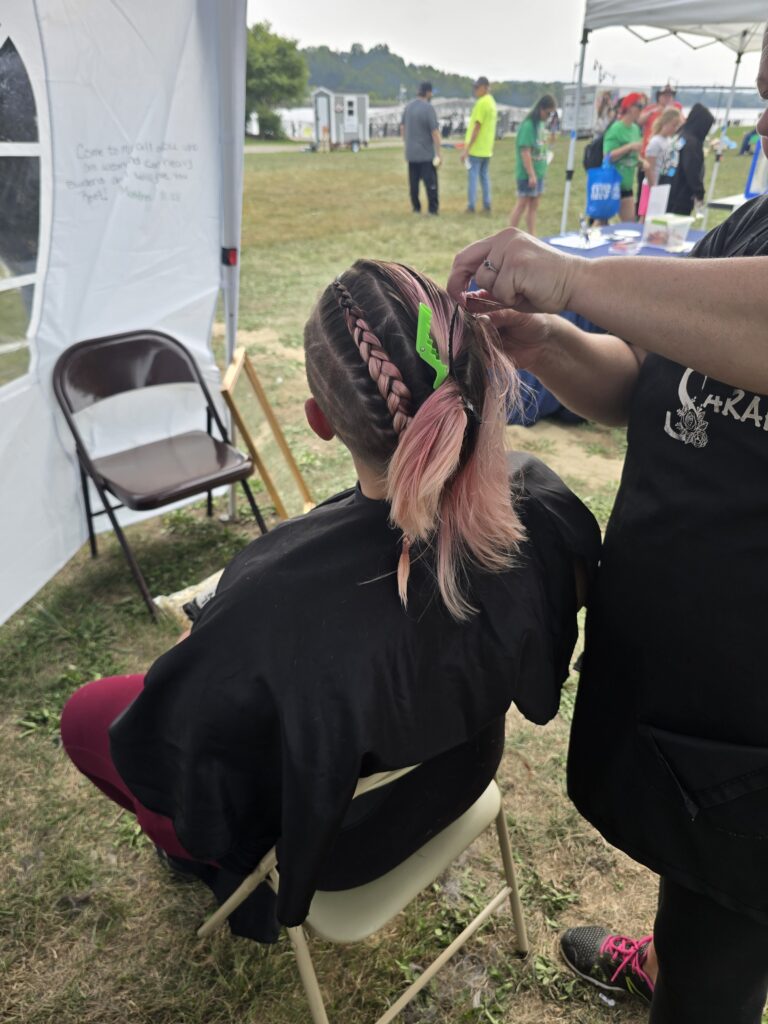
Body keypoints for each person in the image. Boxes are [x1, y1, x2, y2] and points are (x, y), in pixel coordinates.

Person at [61, 259, 600, 942]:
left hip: (341, 849)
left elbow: (190, 772)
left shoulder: (263, 603)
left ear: (320, 419)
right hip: (458, 778)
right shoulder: (545, 505)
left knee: (87, 716)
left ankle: (211, 877)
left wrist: (208, 653)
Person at [447, 29, 768, 1021]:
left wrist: (575, 274)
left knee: (721, 949)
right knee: (709, 888)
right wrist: (550, 342)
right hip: (702, 698)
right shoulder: (750, 226)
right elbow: (643, 385)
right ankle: (683, 957)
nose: (762, 80)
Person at [509, 94, 557, 236]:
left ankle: (532, 236)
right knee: (522, 204)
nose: (548, 117)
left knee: (534, 205)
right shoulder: (528, 125)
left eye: (551, 114)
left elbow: (543, 147)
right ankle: (508, 237)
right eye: (547, 113)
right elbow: (525, 151)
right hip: (527, 174)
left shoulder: (541, 125)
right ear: (540, 109)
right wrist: (531, 174)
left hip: (539, 172)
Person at [658, 102, 715, 216]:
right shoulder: (692, 142)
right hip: (680, 195)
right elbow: (691, 169)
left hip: (664, 189)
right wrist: (699, 192)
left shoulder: (679, 136)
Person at [603, 92, 648, 221]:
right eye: (639, 106)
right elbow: (608, 156)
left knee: (630, 226)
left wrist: (642, 162)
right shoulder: (616, 129)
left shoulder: (635, 129)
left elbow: (633, 155)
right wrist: (629, 147)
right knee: (601, 223)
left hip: (626, 186)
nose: (641, 110)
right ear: (629, 107)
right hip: (611, 184)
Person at [401, 81, 441, 215]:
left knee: (414, 184)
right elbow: (434, 132)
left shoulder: (408, 107)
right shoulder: (428, 108)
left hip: (411, 153)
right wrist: (438, 153)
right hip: (426, 154)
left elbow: (402, 128)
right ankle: (432, 209)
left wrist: (408, 142)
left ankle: (416, 208)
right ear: (428, 92)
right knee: (430, 184)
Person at [464, 76, 498, 213]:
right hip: (487, 149)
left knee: (473, 176)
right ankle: (487, 203)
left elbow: (477, 127)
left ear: (485, 87)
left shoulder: (481, 103)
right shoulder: (492, 102)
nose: (475, 90)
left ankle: (471, 205)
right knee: (484, 176)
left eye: (477, 88)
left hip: (476, 149)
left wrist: (467, 148)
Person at [644, 107, 684, 187]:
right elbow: (649, 168)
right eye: (674, 125)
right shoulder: (655, 142)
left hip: (665, 184)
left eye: (677, 126)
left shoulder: (670, 140)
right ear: (665, 123)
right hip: (654, 184)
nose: (675, 129)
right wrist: (652, 186)